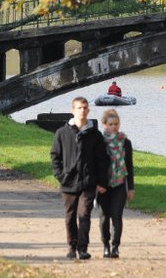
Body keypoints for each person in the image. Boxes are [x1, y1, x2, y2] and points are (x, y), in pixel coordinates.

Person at [50, 97, 110, 260]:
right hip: (68, 182)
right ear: (73, 110)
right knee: (70, 217)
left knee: (84, 215)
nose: (82, 110)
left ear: (88, 110)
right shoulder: (62, 133)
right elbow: (55, 156)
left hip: (87, 182)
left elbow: (102, 160)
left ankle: (82, 248)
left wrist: (102, 182)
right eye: (79, 108)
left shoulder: (95, 135)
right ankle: (72, 247)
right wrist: (61, 175)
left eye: (84, 108)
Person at [97, 109, 135, 258]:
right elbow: (95, 165)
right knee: (104, 217)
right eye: (111, 124)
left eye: (116, 124)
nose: (114, 127)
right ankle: (105, 245)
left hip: (120, 183)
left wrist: (131, 187)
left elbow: (129, 166)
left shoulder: (126, 142)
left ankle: (115, 246)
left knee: (117, 215)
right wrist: (96, 184)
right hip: (103, 185)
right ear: (104, 125)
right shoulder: (100, 142)